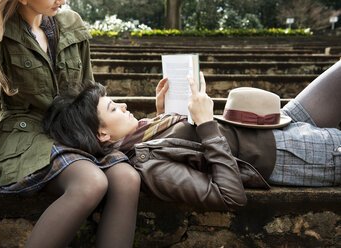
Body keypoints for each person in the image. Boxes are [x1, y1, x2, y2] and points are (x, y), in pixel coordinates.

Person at [43, 61, 341, 211]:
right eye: (113, 108)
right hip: (289, 154)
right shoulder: (149, 165)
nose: (123, 105)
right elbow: (230, 196)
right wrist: (206, 123)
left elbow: (178, 140)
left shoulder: (144, 133)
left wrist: (162, 113)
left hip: (274, 122)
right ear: (103, 134)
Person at [0, 0, 140, 247]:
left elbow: (89, 95)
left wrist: (109, 129)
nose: (62, 0)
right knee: (91, 182)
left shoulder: (72, 24)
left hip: (75, 130)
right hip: (24, 137)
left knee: (126, 178)